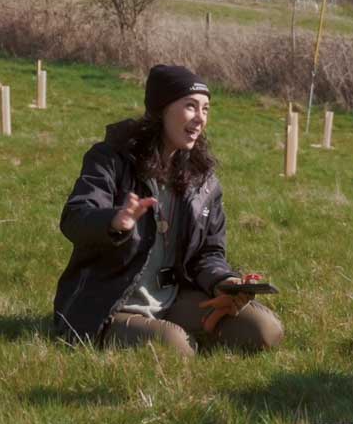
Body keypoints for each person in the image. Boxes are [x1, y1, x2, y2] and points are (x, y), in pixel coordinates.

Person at [53, 64, 284, 356]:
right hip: (108, 304)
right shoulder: (111, 159)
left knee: (264, 330)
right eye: (190, 106)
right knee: (176, 348)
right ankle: (132, 334)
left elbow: (209, 254)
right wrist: (115, 221)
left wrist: (226, 284)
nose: (200, 119)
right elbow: (75, 217)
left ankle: (176, 331)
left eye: (206, 109)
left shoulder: (204, 181)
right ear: (161, 110)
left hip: (172, 300)